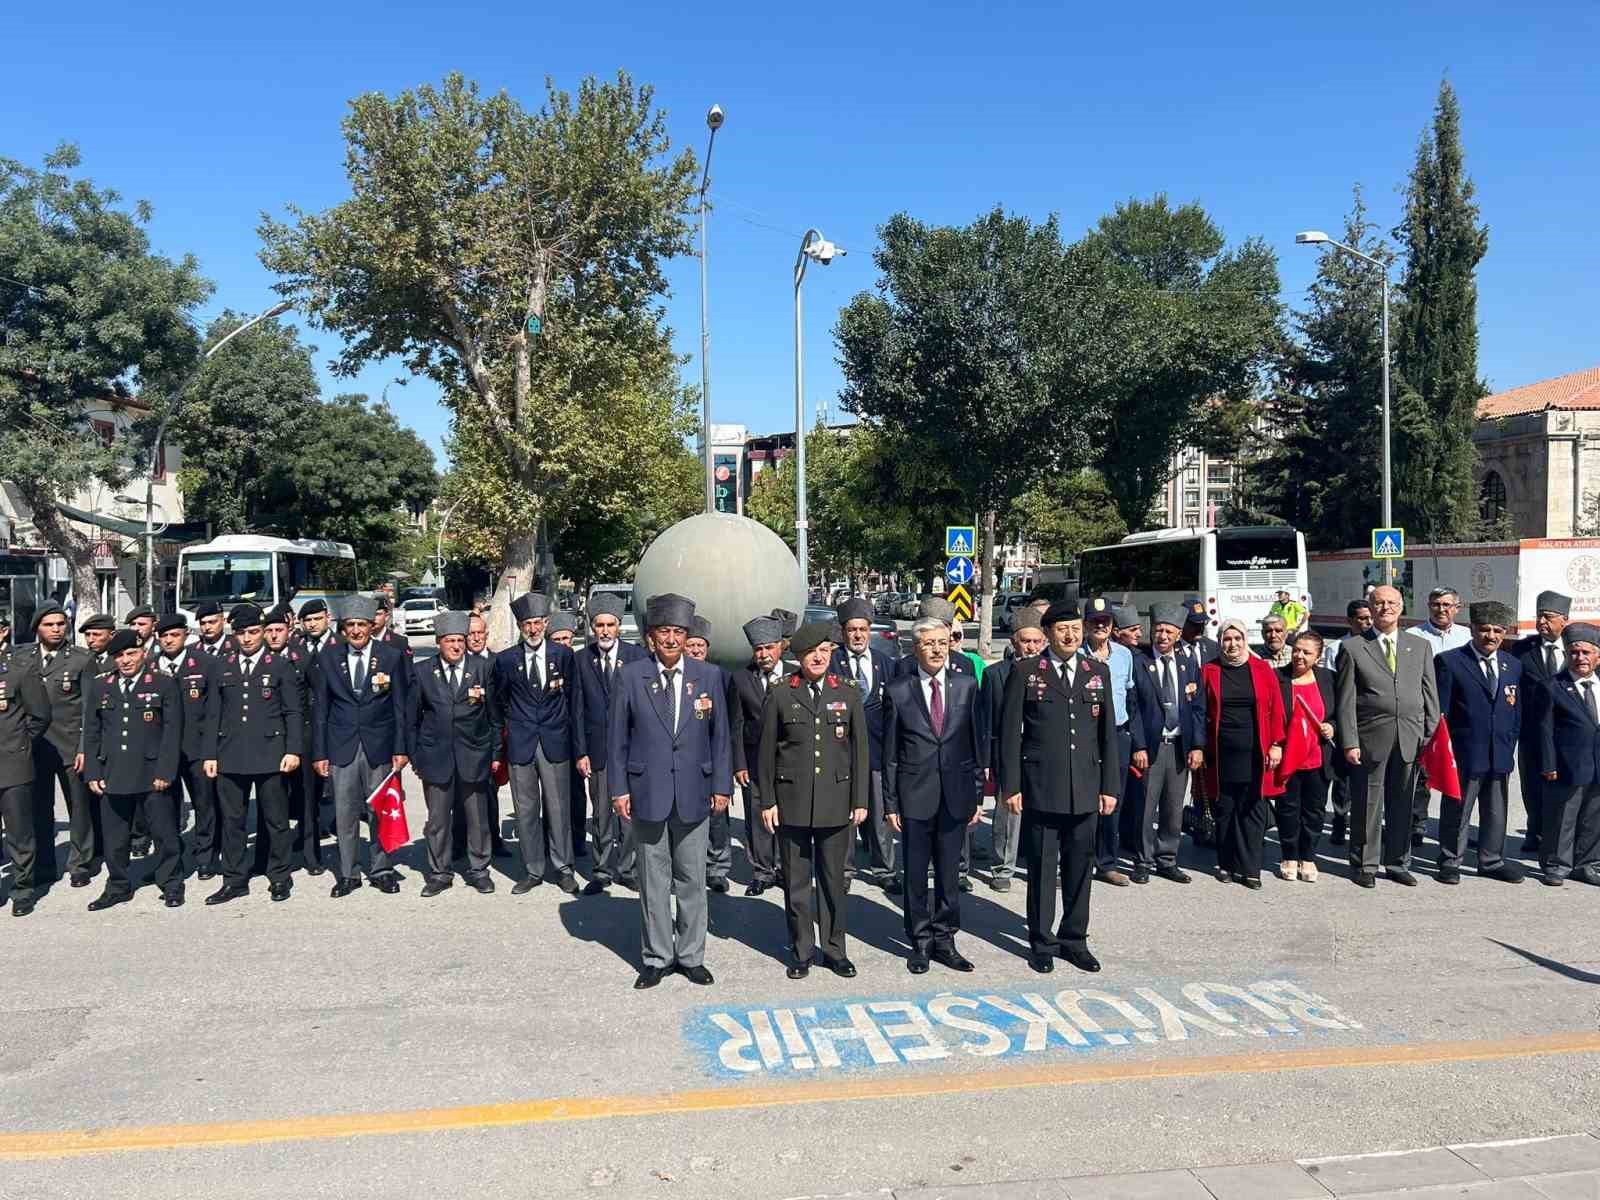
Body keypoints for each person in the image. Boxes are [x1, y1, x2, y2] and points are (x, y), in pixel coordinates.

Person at [608, 594, 732, 990]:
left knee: (693, 879)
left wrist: (721, 786)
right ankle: (657, 957)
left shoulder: (708, 675)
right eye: (665, 632)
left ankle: (692, 956)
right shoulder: (631, 676)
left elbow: (721, 738)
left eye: (679, 632)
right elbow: (617, 741)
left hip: (695, 791)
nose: (672, 639)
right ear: (651, 637)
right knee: (653, 881)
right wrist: (619, 789)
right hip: (647, 792)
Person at [1000, 601, 1119, 975]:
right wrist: (1011, 786)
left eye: (1076, 628)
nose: (1070, 635)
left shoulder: (1096, 671)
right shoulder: (1027, 671)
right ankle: (1041, 941)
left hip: (1085, 786)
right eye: (1063, 629)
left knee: (1080, 868)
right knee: (1041, 869)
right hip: (1040, 787)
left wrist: (1109, 786)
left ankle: (1074, 940)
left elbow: (1107, 736)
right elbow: (1009, 735)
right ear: (1049, 633)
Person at [758, 621, 868, 979]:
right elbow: (766, 754)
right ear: (799, 658)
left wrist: (860, 799)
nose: (818, 657)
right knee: (797, 883)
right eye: (810, 653)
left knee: (834, 882)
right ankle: (802, 950)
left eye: (824, 651)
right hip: (791, 802)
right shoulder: (780, 692)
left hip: (836, 801)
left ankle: (835, 950)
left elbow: (860, 752)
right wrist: (767, 801)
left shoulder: (848, 692)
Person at [884, 616, 985, 974]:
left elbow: (976, 743)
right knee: (914, 874)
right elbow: (891, 754)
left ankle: (945, 939)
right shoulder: (898, 690)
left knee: (948, 873)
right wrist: (890, 803)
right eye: (929, 644)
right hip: (915, 796)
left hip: (956, 795)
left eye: (943, 642)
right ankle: (920, 941)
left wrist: (976, 797)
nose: (937, 649)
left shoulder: (967, 686)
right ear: (916, 649)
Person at [1335, 584, 1440, 889]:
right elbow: (1345, 701)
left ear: (1401, 607)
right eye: (1379, 603)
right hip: (1370, 739)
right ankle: (1365, 864)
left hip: (1410, 737)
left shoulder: (1418, 647)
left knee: (1403, 803)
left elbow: (1429, 694)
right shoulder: (1354, 647)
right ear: (1370, 607)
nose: (1386, 608)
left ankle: (1397, 862)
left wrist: (1428, 736)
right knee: (1368, 803)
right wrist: (1350, 742)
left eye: (1392, 603)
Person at [205, 604, 304, 905]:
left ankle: (279, 876)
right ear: (233, 635)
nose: (247, 639)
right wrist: (210, 754)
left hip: (271, 753)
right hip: (230, 755)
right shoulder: (222, 666)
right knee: (232, 821)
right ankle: (234, 879)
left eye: (252, 632)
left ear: (262, 632)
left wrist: (293, 750)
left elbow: (293, 711)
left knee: (275, 820)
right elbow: (212, 714)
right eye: (241, 633)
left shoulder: (280, 665)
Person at [312, 596, 409, 898]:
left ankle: (381, 869)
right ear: (343, 628)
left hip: (379, 746)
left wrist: (401, 748)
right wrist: (320, 753)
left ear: (371, 626)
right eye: (350, 625)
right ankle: (348, 872)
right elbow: (321, 710)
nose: (356, 631)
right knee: (345, 812)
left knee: (378, 810)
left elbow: (400, 708)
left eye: (361, 625)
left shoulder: (391, 656)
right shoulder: (328, 658)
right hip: (341, 747)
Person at [81, 629, 183, 910]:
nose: (125, 660)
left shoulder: (163, 684)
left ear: (143, 653)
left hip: (152, 773)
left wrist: (166, 771)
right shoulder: (101, 686)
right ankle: (118, 885)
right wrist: (93, 772)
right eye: (119, 655)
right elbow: (92, 733)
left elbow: (172, 732)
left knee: (163, 832)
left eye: (131, 653)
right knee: (115, 836)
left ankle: (171, 882)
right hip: (113, 772)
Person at [495, 592, 579, 895]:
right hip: (521, 743)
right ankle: (532, 869)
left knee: (558, 808)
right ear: (520, 626)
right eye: (527, 624)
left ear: (546, 623)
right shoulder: (505, 660)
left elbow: (573, 699)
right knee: (526, 809)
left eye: (537, 622)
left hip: (555, 741)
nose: (533, 629)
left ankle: (563, 868)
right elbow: (500, 701)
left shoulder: (563, 655)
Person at [412, 611, 502, 896]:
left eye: (460, 640)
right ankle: (439, 872)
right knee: (438, 819)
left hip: (473, 754)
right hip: (436, 757)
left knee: (478, 818)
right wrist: (417, 756)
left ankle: (479, 870)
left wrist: (495, 753)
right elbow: (412, 718)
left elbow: (495, 716)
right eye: (450, 640)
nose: (456, 646)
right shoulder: (423, 671)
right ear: (439, 642)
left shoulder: (482, 667)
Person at [1434, 601, 1524, 885]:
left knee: (1496, 810)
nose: (1491, 636)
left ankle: (1491, 860)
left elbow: (1515, 710)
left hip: (1499, 752)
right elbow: (1441, 714)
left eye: (1498, 630)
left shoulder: (1513, 665)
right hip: (1464, 752)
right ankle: (1450, 860)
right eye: (1485, 629)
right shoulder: (1450, 662)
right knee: (1458, 810)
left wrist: (1509, 741)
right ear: (1472, 628)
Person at [1200, 618, 1286, 889]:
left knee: (1253, 809)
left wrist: (1276, 744)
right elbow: (1201, 713)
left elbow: (1277, 710)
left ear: (1245, 640)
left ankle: (1250, 869)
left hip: (1255, 753)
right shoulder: (1209, 670)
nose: (1233, 644)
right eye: (1227, 639)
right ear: (1220, 641)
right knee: (1224, 808)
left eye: (1238, 639)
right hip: (1221, 753)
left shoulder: (1262, 669)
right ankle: (1226, 864)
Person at [573, 595, 646, 895]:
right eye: (599, 625)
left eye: (610, 625)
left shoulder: (636, 657)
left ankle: (627, 868)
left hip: (630, 751)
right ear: (591, 627)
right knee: (601, 813)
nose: (604, 631)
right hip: (598, 750)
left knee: (628, 814)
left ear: (619, 626)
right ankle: (602, 869)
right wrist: (581, 751)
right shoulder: (581, 659)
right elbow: (575, 709)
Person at [1129, 604, 1207, 885]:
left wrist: (1197, 745)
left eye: (1169, 631)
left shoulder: (1188, 663)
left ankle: (1167, 859)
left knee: (1173, 807)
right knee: (1146, 807)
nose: (1162, 635)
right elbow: (1133, 708)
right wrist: (1137, 746)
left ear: (1177, 634)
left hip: (1178, 746)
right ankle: (1143, 860)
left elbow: (1198, 708)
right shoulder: (1139, 662)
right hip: (1151, 746)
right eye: (1158, 630)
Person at [24, 603, 99, 888]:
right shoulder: (24, 659)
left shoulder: (81, 659)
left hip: (70, 745)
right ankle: (44, 864)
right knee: (40, 808)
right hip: (35, 747)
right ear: (37, 629)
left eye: (60, 624)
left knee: (78, 807)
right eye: (49, 624)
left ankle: (80, 862)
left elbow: (90, 710)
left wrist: (84, 747)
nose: (56, 629)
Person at [147, 614, 223, 881]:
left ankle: (206, 857)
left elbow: (214, 711)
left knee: (205, 805)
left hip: (196, 748)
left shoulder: (205, 663)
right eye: (164, 636)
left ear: (185, 636)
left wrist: (211, 750)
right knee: (164, 810)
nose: (169, 640)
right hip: (161, 752)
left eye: (174, 635)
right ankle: (168, 859)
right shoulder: (149, 666)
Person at [1530, 621, 1600, 887]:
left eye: (1586, 652)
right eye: (1574, 652)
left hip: (1598, 764)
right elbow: (1544, 730)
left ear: (1597, 656)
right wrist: (1548, 764)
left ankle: (1588, 864)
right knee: (1563, 817)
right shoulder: (1552, 686)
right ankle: (1556, 864)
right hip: (1567, 765)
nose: (1580, 657)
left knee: (1594, 818)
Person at [831, 598, 895, 889]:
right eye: (852, 630)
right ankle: (844, 871)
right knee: (844, 815)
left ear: (869, 631)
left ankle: (885, 870)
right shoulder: (831, 663)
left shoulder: (885, 664)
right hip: (841, 754)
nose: (858, 635)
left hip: (878, 751)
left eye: (863, 630)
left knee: (880, 814)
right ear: (843, 632)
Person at [983, 615, 1044, 894]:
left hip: (1042, 751)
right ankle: (1002, 868)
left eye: (1035, 641)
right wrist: (986, 759)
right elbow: (986, 721)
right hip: (1008, 750)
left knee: (1042, 811)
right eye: (1025, 641)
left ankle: (1039, 866)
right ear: (1013, 642)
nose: (1030, 647)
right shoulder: (995, 674)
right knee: (1008, 811)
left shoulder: (1049, 672)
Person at [729, 616, 788, 896]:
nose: (763, 655)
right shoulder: (741, 679)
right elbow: (737, 724)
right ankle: (762, 871)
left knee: (788, 817)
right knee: (756, 816)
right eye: (758, 650)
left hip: (790, 761)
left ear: (780, 647)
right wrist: (739, 762)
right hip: (754, 761)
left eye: (768, 648)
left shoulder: (796, 676)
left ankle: (786, 868)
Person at [1083, 596, 1140, 887]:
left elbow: (1130, 697)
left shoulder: (1124, 655)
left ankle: (1106, 862)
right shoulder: (1076, 655)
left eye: (1105, 622)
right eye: (1095, 621)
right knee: (1080, 800)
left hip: (1116, 736)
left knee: (1111, 802)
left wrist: (1135, 739)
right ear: (1085, 624)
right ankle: (1078, 860)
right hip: (1083, 737)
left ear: (1113, 626)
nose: (1100, 625)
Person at [1272, 630, 1337, 882]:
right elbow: (1271, 715)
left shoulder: (1328, 679)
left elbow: (1337, 712)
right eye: (1296, 650)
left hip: (1318, 758)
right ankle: (1289, 855)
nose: (1299, 656)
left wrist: (1332, 726)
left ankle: (1308, 857)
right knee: (1288, 809)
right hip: (1289, 757)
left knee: (1314, 811)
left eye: (1306, 652)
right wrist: (1276, 744)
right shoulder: (1278, 677)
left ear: (1318, 656)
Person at [1510, 590, 1570, 856]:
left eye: (1548, 616)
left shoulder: (1576, 649)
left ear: (1564, 620)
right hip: (1532, 729)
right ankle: (1534, 831)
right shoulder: (1523, 649)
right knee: (1532, 783)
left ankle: (1563, 836)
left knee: (1566, 784)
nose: (1542, 621)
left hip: (1568, 731)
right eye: (1538, 616)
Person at [0, 643, 50, 915]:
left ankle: (22, 889)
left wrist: (20, 745)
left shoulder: (19, 671)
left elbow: (40, 715)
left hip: (12, 765)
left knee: (19, 833)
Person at [685, 615, 732, 894]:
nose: (695, 650)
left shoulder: (719, 676)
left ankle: (717, 868)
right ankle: (691, 868)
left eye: (700, 645)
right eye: (691, 645)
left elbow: (727, 726)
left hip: (712, 758)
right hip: (684, 760)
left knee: (717, 817)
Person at [1326, 599, 1375, 845]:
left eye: (1370, 618)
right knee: (1344, 776)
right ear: (1350, 621)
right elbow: (1331, 687)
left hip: (1372, 719)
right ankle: (1340, 818)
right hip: (1347, 718)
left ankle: (1367, 823)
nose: (1367, 623)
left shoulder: (1378, 645)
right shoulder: (1336, 648)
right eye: (1362, 618)